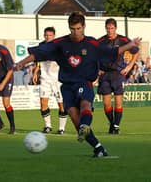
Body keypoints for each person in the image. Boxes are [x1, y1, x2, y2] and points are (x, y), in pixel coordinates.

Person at [15, 12, 141, 157]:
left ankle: (86, 126)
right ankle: (98, 148)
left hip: (84, 82)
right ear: (69, 28)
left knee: (85, 105)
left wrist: (130, 44)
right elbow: (38, 53)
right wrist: (21, 63)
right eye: (73, 29)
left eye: (79, 29)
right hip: (67, 86)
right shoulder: (60, 43)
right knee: (76, 120)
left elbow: (112, 51)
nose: (76, 32)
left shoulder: (92, 43)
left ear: (84, 27)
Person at [97, 18, 139, 134]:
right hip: (105, 74)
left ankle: (116, 126)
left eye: (112, 28)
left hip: (118, 74)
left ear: (115, 28)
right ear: (105, 28)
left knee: (118, 101)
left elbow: (136, 51)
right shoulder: (100, 41)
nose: (110, 30)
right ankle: (112, 123)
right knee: (106, 103)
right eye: (108, 28)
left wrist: (129, 66)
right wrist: (97, 68)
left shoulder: (123, 40)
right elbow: (94, 56)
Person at [32, 27, 67, 134]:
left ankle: (61, 128)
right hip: (45, 78)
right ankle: (48, 126)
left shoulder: (59, 46)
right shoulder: (41, 46)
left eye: (50, 35)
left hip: (57, 79)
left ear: (54, 36)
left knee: (61, 104)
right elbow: (37, 59)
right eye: (46, 35)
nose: (48, 37)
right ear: (44, 35)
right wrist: (35, 71)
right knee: (43, 103)